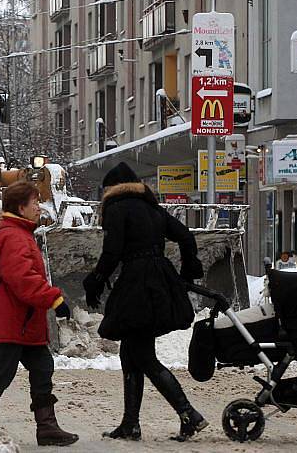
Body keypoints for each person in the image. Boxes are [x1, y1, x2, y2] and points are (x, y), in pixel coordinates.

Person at [82, 162, 207, 442]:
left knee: (144, 356)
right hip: (159, 280)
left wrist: (97, 280)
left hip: (137, 284)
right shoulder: (152, 208)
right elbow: (186, 237)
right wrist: (188, 271)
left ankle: (189, 414)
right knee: (131, 353)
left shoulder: (116, 208)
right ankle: (130, 424)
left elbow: (112, 251)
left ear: (110, 190)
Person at [0, 181, 79, 447]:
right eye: (34, 203)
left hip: (23, 320)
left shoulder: (18, 232)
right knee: (0, 374)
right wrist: (53, 298)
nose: (39, 207)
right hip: (11, 319)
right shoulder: (13, 235)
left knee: (42, 367)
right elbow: (21, 278)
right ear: (21, 207)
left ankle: (47, 427)